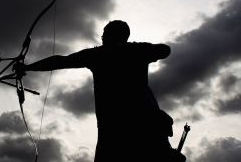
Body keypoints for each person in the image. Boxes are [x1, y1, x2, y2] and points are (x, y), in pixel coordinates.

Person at [14, 20, 185, 161]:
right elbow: (164, 50)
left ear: (111, 35)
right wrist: (29, 67)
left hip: (125, 128)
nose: (102, 37)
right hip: (130, 126)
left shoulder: (101, 54)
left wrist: (28, 67)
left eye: (104, 33)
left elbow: (61, 61)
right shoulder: (134, 51)